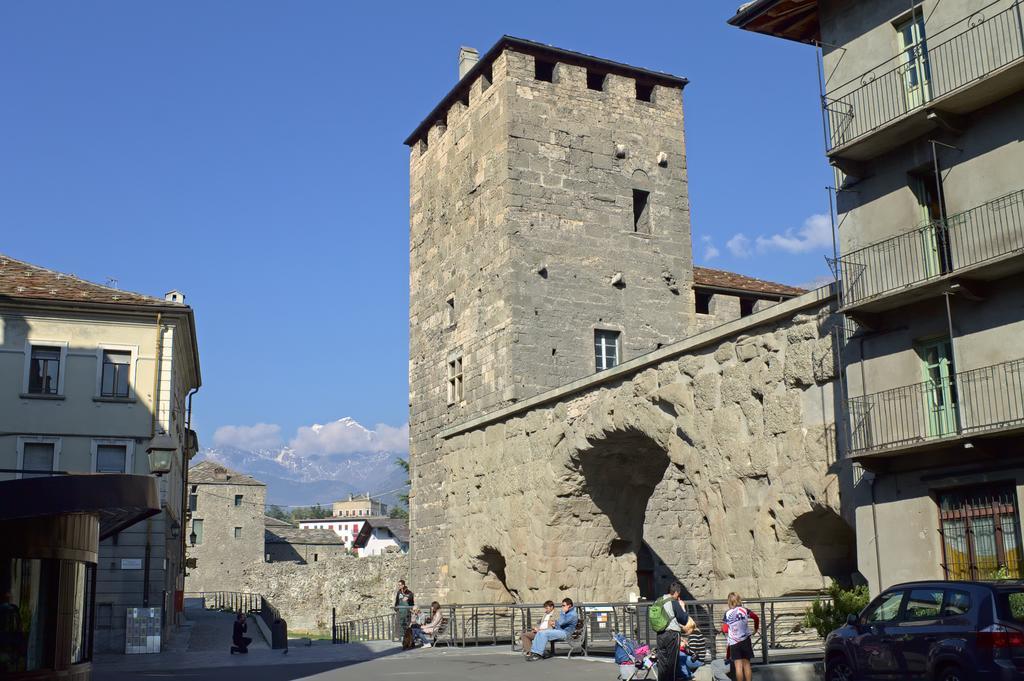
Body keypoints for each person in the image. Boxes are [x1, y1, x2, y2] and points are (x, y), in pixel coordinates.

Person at [656, 581, 696, 681]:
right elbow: (683, 619)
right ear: (677, 592)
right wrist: (682, 607)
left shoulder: (658, 600)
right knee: (672, 664)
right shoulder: (673, 602)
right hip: (672, 634)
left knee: (662, 663)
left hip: (660, 634)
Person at [721, 593, 758, 681]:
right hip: (745, 640)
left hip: (734, 642)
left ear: (729, 602)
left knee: (738, 667)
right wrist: (755, 628)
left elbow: (725, 629)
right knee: (747, 665)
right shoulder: (745, 610)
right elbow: (756, 617)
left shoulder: (727, 613)